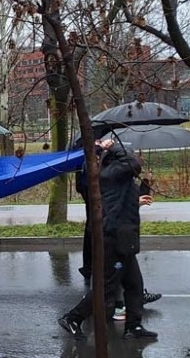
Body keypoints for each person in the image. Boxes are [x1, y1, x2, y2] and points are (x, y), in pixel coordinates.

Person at [59, 139, 158, 340]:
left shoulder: (118, 175)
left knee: (134, 285)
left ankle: (134, 326)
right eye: (129, 152)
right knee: (106, 287)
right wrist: (111, 145)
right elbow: (133, 164)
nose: (134, 156)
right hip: (115, 237)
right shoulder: (108, 173)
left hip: (125, 236)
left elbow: (123, 199)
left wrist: (145, 186)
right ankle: (73, 318)